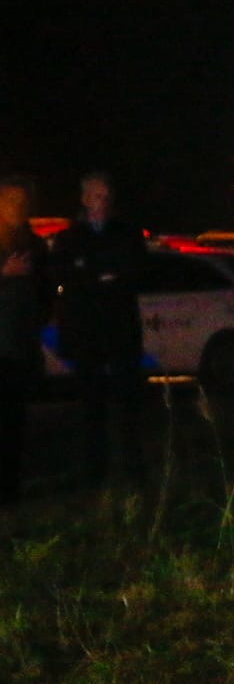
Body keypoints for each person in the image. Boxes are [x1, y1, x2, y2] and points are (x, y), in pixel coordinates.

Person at [49, 172, 146, 486]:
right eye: (96, 196)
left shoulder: (126, 234)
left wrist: (104, 277)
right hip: (87, 334)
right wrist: (95, 278)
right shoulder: (69, 238)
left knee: (128, 405)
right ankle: (94, 471)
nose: (101, 203)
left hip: (121, 332)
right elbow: (63, 278)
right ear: (84, 199)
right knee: (92, 407)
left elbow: (138, 272)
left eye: (105, 196)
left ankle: (132, 470)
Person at [0, 178, 50, 505]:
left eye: (22, 201)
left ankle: (10, 490)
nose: (16, 207)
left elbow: (45, 293)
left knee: (14, 421)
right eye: (10, 200)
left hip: (18, 346)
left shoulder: (35, 245)